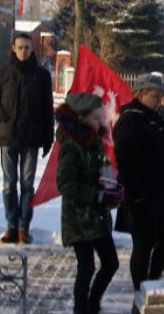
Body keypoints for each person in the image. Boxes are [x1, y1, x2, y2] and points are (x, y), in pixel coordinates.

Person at [114, 74, 164, 290]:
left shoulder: (155, 117)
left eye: (161, 97)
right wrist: (137, 197)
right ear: (140, 94)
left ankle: (152, 281)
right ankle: (141, 290)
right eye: (155, 96)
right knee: (144, 244)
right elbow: (125, 163)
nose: (160, 101)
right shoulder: (130, 120)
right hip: (143, 195)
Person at [56, 92, 122, 314]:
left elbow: (101, 170)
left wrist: (112, 186)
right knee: (86, 267)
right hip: (78, 218)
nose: (100, 123)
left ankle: (93, 303)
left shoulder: (95, 142)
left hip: (97, 216)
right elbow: (65, 183)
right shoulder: (71, 146)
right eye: (95, 119)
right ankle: (81, 308)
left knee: (111, 263)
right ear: (81, 118)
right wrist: (97, 194)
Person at [0, 32, 54, 244]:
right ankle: (11, 226)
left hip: (32, 138)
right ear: (13, 49)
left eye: (27, 47)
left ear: (32, 49)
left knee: (27, 185)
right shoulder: (2, 74)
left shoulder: (42, 76)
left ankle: (24, 227)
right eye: (20, 47)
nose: (24, 51)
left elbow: (47, 109)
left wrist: (48, 137)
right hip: (7, 137)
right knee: (9, 184)